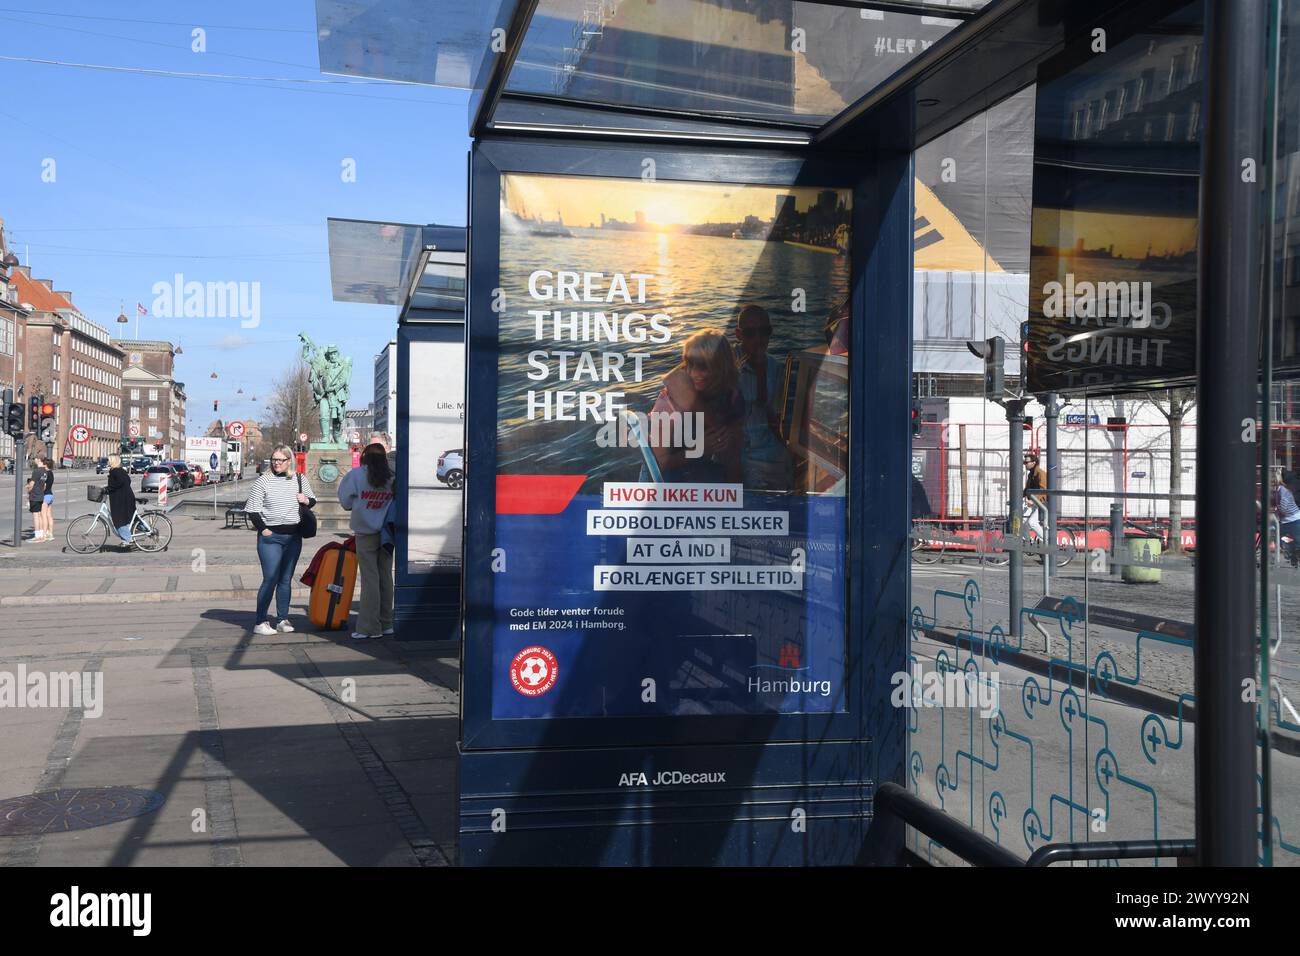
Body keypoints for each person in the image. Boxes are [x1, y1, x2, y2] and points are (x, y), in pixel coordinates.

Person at [652, 329, 744, 482]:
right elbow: (658, 463)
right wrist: (699, 449)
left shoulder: (731, 397)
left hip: (706, 473)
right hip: (668, 480)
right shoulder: (668, 403)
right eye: (690, 364)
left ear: (721, 366)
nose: (694, 373)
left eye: (703, 366)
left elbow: (734, 454)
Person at [244, 444, 316, 636]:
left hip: (293, 537)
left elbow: (312, 500)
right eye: (274, 459)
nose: (276, 463)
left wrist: (305, 500)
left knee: (285, 579)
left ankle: (282, 619)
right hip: (271, 538)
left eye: (280, 460)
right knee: (270, 578)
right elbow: (252, 509)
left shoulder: (300, 479)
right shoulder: (263, 481)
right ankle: (260, 621)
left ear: (289, 461)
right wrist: (264, 530)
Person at [338, 443, 396, 640]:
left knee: (370, 579)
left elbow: (345, 502)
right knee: (386, 577)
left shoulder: (356, 475)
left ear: (364, 456)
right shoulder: (391, 476)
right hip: (388, 532)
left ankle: (369, 627)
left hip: (365, 532)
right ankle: (387, 622)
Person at [732, 304, 793, 491]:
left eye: (764, 331)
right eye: (750, 333)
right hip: (736, 449)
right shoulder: (726, 362)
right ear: (738, 335)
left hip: (768, 446)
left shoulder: (776, 368)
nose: (759, 339)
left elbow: (773, 415)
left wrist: (789, 447)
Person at [105, 454, 136, 547]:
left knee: (119, 519)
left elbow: (119, 482)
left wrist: (108, 488)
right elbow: (127, 481)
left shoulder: (116, 472)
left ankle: (127, 539)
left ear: (112, 461)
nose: (107, 461)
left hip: (121, 499)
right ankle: (141, 530)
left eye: (108, 460)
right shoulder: (120, 470)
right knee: (127, 519)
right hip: (125, 498)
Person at [1023, 452, 1048, 544]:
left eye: (1026, 462)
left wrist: (1034, 501)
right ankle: (1028, 543)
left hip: (1042, 502)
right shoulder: (1030, 474)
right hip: (1034, 502)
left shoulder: (1040, 474)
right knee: (1023, 521)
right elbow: (1026, 490)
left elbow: (1044, 491)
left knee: (1032, 523)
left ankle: (1048, 541)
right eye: (1024, 462)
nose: (1024, 464)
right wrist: (1015, 498)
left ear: (1033, 463)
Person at [1278, 470, 1300, 566]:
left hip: (1293, 519)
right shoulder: (1283, 489)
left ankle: (1293, 558)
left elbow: (1284, 507)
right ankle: (1293, 557)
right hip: (1290, 519)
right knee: (1292, 540)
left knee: (1297, 541)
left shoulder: (1283, 490)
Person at [25, 457, 49, 542]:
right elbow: (44, 485)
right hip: (40, 495)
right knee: (39, 516)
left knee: (35, 516)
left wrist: (28, 489)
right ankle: (42, 535)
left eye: (35, 458)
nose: (34, 460)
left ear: (39, 460)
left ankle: (37, 536)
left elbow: (31, 484)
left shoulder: (36, 471)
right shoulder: (45, 472)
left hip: (34, 495)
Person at [40, 456, 55, 543]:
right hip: (50, 495)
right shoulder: (51, 473)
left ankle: (44, 534)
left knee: (43, 515)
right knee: (49, 515)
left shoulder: (46, 473)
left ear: (45, 465)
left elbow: (44, 485)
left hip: (45, 495)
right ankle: (51, 533)